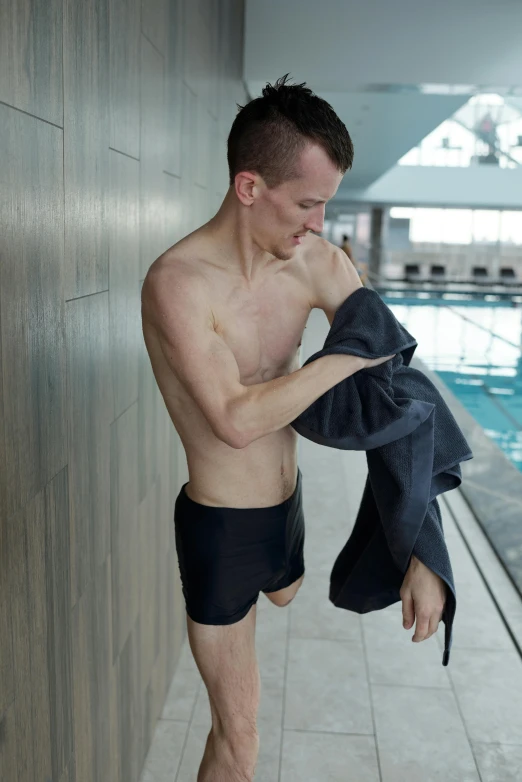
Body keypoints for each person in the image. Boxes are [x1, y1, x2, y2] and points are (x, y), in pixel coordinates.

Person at [141, 74, 447, 782]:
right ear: (250, 188)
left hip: (290, 510)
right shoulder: (178, 283)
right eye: (307, 204)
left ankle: (284, 574)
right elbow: (235, 420)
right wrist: (347, 355)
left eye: (326, 205)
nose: (318, 223)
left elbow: (400, 389)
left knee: (287, 589)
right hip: (222, 530)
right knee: (239, 739)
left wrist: (424, 549)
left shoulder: (315, 262)